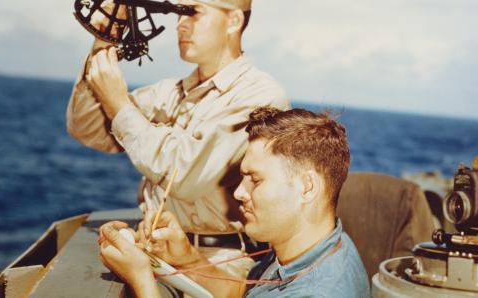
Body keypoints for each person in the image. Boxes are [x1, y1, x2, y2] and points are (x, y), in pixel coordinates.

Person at [67, 0, 289, 270]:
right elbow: (88, 129)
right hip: (156, 249)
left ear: (234, 21)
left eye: (193, 14)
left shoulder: (260, 97)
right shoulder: (171, 92)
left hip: (221, 263)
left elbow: (185, 177)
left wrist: (118, 104)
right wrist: (103, 42)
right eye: (179, 15)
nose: (180, 26)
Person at [99, 107, 370, 298]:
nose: (239, 192)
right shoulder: (318, 247)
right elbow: (244, 292)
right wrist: (186, 258)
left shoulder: (317, 292)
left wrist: (141, 278)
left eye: (255, 179)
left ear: (307, 187)